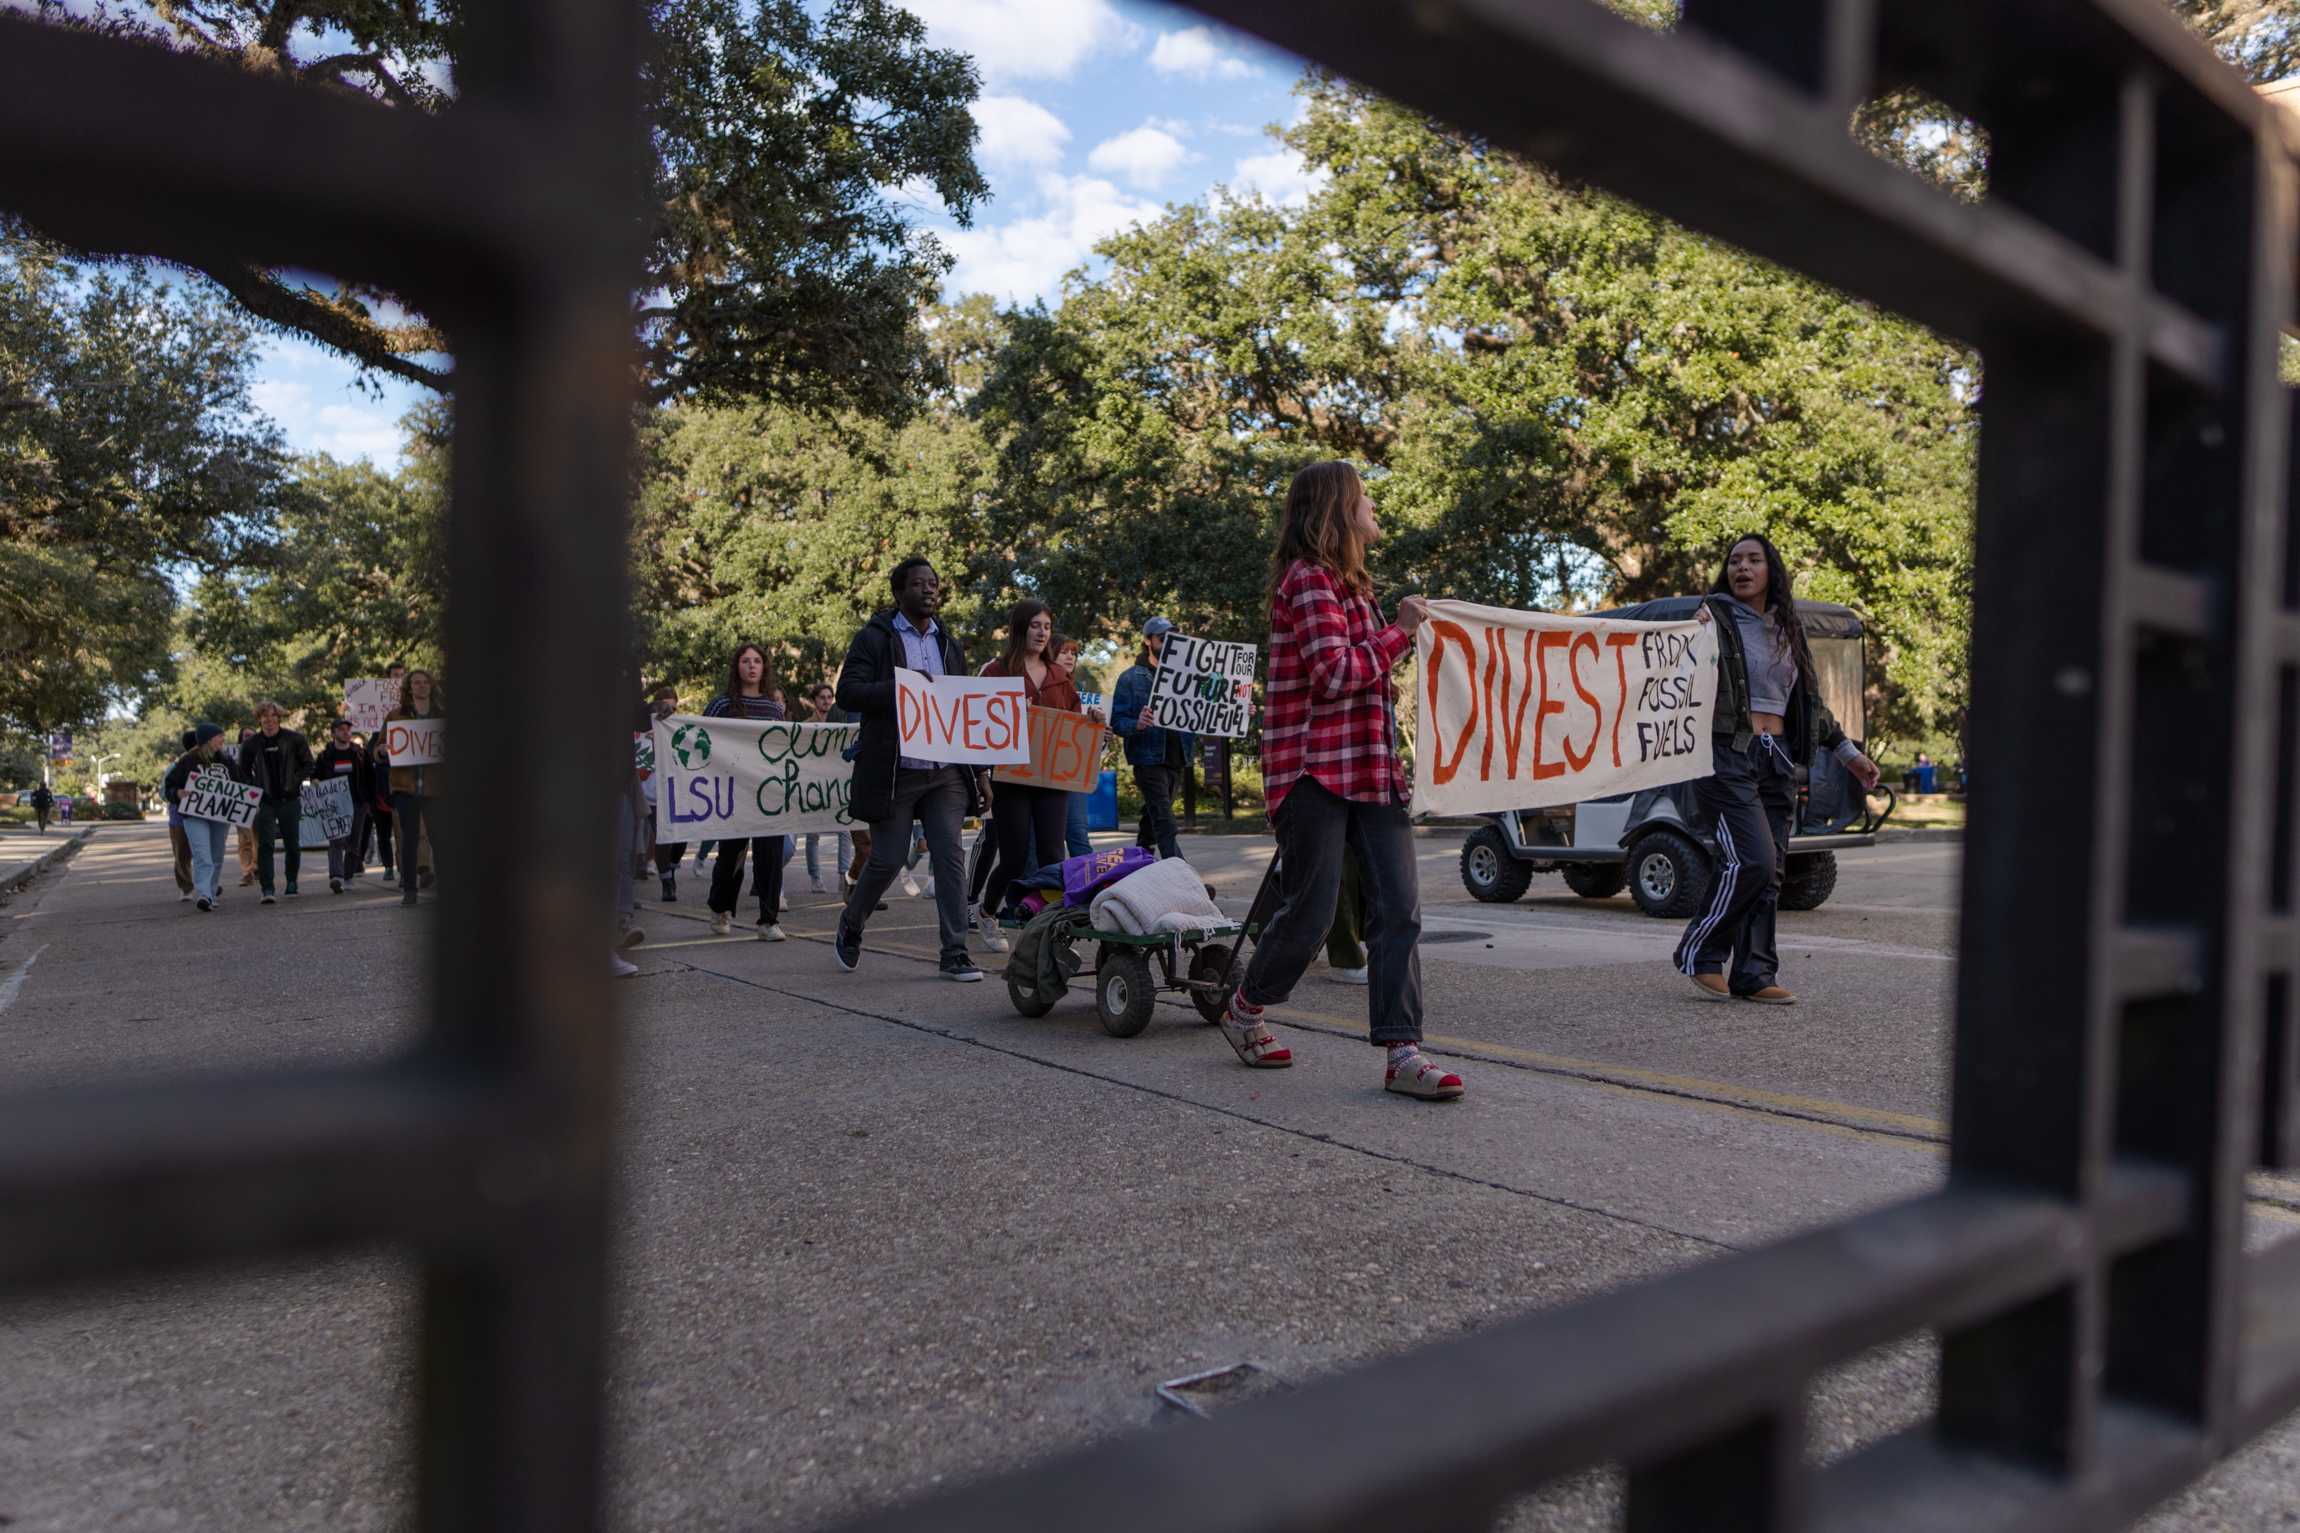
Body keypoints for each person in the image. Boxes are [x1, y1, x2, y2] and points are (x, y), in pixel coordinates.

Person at [1227, 459, 1464, 1101]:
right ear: (1337, 509)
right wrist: (1402, 634)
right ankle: (1246, 1005)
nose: (1374, 507)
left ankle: (1403, 1053)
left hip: (1370, 768)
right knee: (1311, 912)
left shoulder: (1357, 585)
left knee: (1399, 909)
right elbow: (1333, 674)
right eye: (1364, 498)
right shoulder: (1308, 581)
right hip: (1314, 770)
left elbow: (1370, 686)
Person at [1676, 534, 1882, 1005]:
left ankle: (1754, 973)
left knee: (1771, 874)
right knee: (1753, 860)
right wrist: (1693, 632)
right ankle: (1702, 950)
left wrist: (1850, 755)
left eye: (1754, 560)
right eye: (1734, 560)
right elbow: (1675, 670)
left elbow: (1809, 704)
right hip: (1727, 752)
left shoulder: (1788, 628)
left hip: (1778, 757)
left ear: (1773, 570)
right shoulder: (1713, 617)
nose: (1742, 568)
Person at [829, 557, 986, 982]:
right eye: (919, 584)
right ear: (899, 593)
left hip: (945, 772)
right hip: (895, 770)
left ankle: (955, 952)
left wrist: (981, 771)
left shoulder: (949, 645)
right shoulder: (874, 638)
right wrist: (898, 688)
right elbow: (848, 693)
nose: (930, 589)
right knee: (888, 858)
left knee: (950, 855)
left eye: (934, 583)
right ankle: (853, 920)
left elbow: (963, 711)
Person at [976, 599, 1100, 941]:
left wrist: (1092, 722)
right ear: (1019, 629)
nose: (1042, 632)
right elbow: (978, 728)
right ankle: (986, 911)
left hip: (1052, 780)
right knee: (1014, 859)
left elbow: (1075, 723)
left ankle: (1048, 926)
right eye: (1035, 625)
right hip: (1011, 780)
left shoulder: (1061, 677)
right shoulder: (996, 673)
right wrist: (981, 774)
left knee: (1051, 855)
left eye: (1046, 626)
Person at [702, 644, 788, 941]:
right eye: (745, 661)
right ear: (736, 666)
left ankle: (768, 920)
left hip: (768, 794)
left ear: (764, 668)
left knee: (771, 856)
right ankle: (720, 907)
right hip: (733, 794)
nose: (751, 666)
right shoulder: (721, 705)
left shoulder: (774, 709)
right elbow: (700, 738)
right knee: (731, 856)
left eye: (757, 661)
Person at [1109, 617, 1193, 862]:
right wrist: (1137, 723)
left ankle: (1139, 862)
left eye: (1173, 638)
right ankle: (1183, 878)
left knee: (1152, 818)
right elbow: (1117, 722)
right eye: (1162, 638)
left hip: (1177, 759)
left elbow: (1209, 707)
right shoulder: (1131, 678)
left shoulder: (1186, 676)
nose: (1168, 643)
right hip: (1148, 760)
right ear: (1148, 641)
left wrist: (1239, 710)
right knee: (1166, 822)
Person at [238, 700, 314, 904]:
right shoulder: (251, 744)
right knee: (264, 845)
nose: (269, 721)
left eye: (273, 717)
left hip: (290, 799)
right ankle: (267, 888)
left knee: (292, 844)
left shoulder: (295, 739)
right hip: (265, 801)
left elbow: (309, 764)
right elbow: (242, 772)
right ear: (259, 719)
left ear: (278, 718)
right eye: (265, 718)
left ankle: (291, 882)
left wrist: (296, 780)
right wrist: (254, 789)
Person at [384, 669, 442, 907]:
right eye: (416, 683)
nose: (421, 686)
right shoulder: (396, 716)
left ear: (431, 686)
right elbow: (379, 747)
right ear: (409, 688)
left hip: (435, 789)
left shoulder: (442, 715)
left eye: (425, 682)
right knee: (409, 840)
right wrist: (381, 752)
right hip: (405, 789)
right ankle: (409, 889)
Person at [164, 722, 232, 912]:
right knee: (203, 855)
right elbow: (169, 786)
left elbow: (240, 782)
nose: (222, 741)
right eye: (220, 737)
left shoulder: (226, 760)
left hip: (220, 815)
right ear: (208, 739)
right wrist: (177, 793)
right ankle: (204, 895)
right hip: (193, 815)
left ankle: (210, 892)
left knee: (216, 854)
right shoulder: (187, 761)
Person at [800, 682, 851, 896]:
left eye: (830, 697)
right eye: (822, 697)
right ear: (814, 701)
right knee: (813, 834)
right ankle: (816, 877)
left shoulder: (842, 722)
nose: (827, 701)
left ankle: (843, 875)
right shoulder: (806, 725)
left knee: (845, 829)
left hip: (836, 783)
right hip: (813, 783)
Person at [314, 717, 373, 893]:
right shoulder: (325, 756)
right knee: (336, 841)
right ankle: (336, 877)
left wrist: (368, 802)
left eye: (348, 730)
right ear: (333, 733)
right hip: (334, 806)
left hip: (357, 804)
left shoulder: (360, 754)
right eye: (341, 730)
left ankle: (348, 876)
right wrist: (316, 781)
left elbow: (370, 778)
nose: (346, 733)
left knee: (354, 842)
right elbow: (316, 775)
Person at [1052, 636, 1097, 860]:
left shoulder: (1078, 687)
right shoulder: (1039, 684)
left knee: (1078, 833)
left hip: (1071, 770)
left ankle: (1090, 887)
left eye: (1073, 652)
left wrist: (1100, 732)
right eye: (1063, 652)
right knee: (1049, 840)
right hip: (1045, 771)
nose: (1070, 656)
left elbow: (1082, 737)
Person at [643, 684, 685, 901]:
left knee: (680, 838)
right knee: (661, 837)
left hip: (674, 789)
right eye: (664, 708)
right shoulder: (643, 726)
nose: (668, 713)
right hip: (648, 791)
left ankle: (671, 867)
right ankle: (666, 881)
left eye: (673, 709)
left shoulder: (679, 728)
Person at [166, 729, 198, 900]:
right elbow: (165, 792)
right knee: (183, 854)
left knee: (202, 853)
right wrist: (179, 793)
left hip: (202, 817)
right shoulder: (176, 767)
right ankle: (186, 888)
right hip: (180, 818)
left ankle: (206, 884)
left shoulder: (209, 764)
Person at [366, 732, 397, 883]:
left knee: (401, 838)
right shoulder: (372, 761)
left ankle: (401, 869)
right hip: (379, 805)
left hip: (397, 802)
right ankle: (389, 867)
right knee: (383, 838)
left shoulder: (398, 754)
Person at [231, 727, 259, 886]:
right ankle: (247, 871)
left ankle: (259, 868)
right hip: (241, 801)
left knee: (259, 837)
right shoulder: (232, 758)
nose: (249, 738)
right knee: (245, 839)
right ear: (240, 739)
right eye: (246, 736)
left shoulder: (263, 753)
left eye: (252, 735)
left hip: (260, 800)